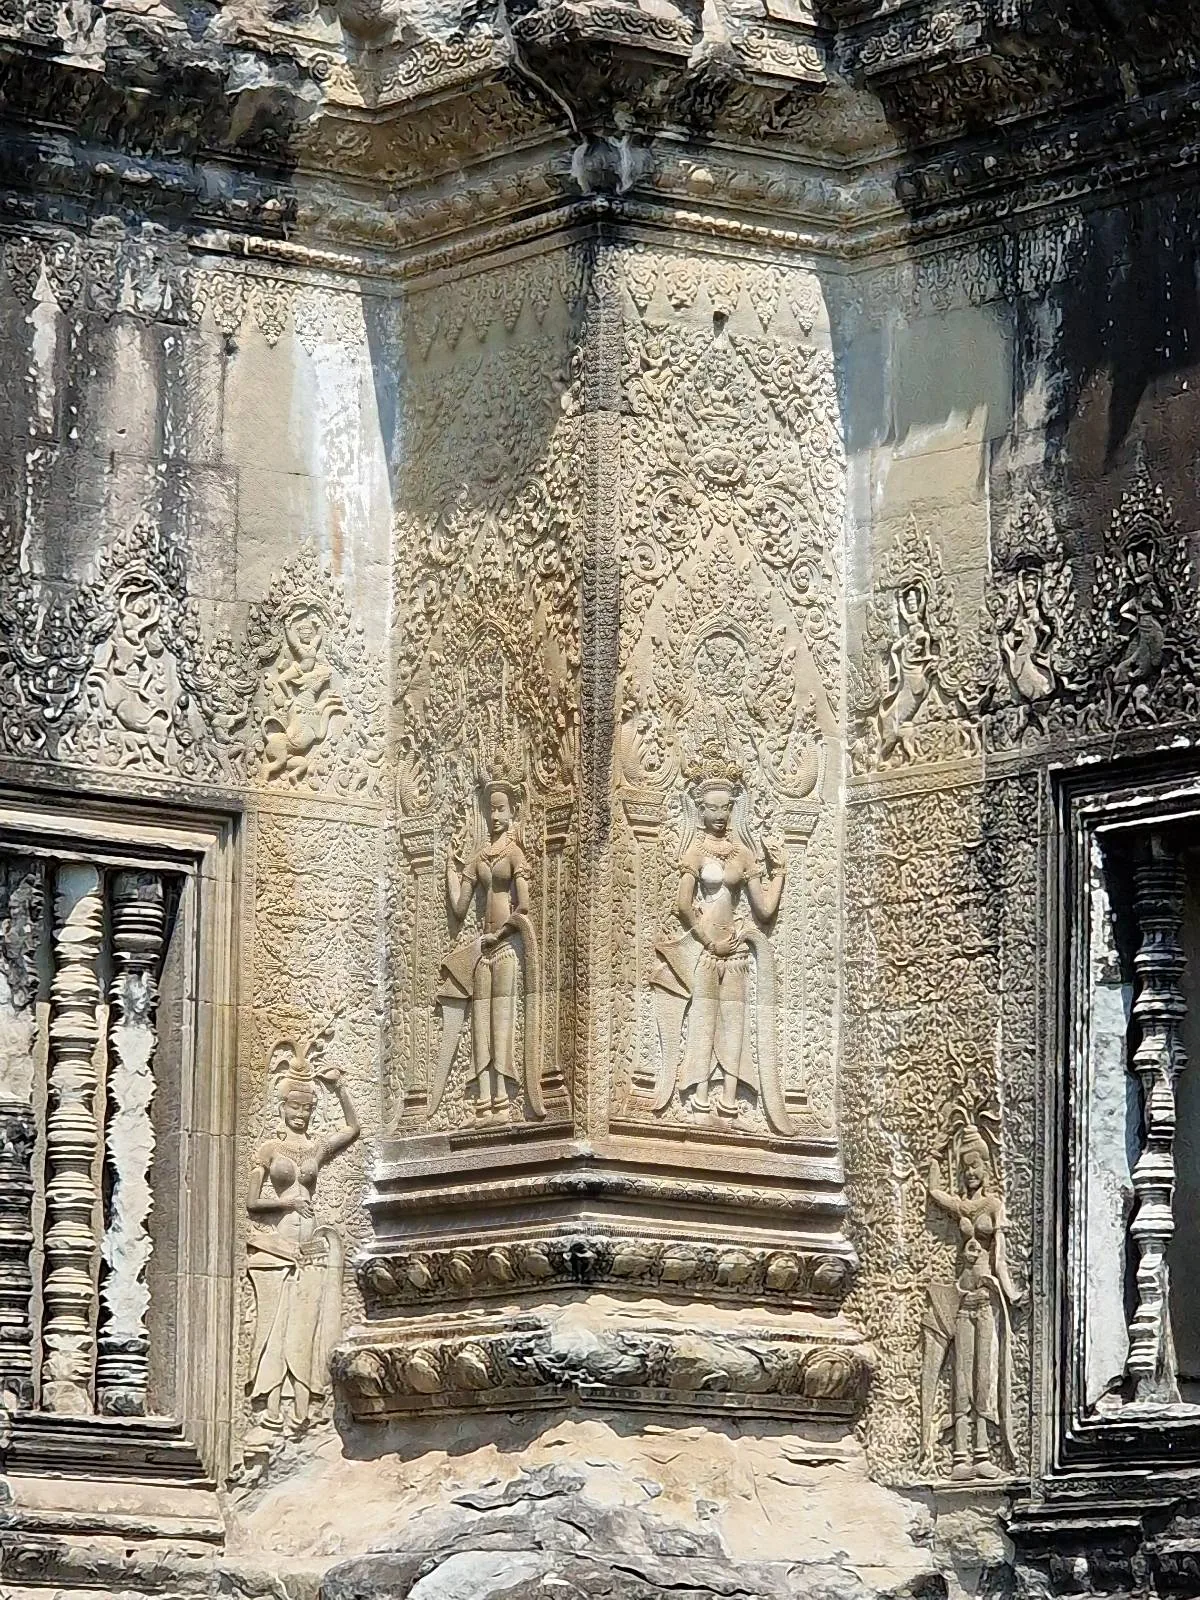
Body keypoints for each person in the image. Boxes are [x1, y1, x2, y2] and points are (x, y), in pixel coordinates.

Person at [650, 754, 793, 1134]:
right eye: (711, 809)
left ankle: (730, 1102)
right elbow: (682, 904)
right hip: (705, 951)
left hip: (736, 952)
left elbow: (763, 908)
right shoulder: (695, 853)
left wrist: (778, 871)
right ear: (700, 812)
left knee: (735, 1024)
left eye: (724, 809)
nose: (718, 816)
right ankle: (698, 1099)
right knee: (702, 1021)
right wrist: (706, 936)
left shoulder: (743, 855)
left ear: (732, 810)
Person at [245, 1052, 359, 1437]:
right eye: (294, 1105)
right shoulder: (269, 1149)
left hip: (309, 1245)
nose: (301, 1114)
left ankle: (303, 1406)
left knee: (305, 1326)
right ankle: (270, 1403)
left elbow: (353, 1129)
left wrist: (339, 1087)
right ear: (282, 1106)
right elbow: (251, 1203)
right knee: (273, 1325)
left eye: (307, 1108)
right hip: (275, 1243)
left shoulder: (314, 1151)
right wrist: (286, 1202)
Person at [432, 774, 544, 1122]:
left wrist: (500, 935)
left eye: (501, 809)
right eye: (490, 810)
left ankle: (502, 1099)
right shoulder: (479, 858)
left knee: (501, 1023)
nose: (495, 816)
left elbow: (522, 906)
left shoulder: (514, 855)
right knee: (481, 1025)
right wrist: (453, 870)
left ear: (512, 813)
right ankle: (482, 1102)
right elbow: (460, 907)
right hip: (483, 951)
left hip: (506, 947)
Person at [920, 1125, 1020, 1481]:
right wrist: (935, 1152)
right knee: (961, 1376)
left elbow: (1001, 1258)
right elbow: (934, 1192)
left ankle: (983, 1451)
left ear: (987, 1168)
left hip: (986, 1298)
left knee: (983, 1376)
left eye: (976, 1165)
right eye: (966, 1168)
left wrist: (1010, 1291)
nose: (971, 1172)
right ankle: (960, 1454)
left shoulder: (993, 1206)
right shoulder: (962, 1205)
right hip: (962, 1299)